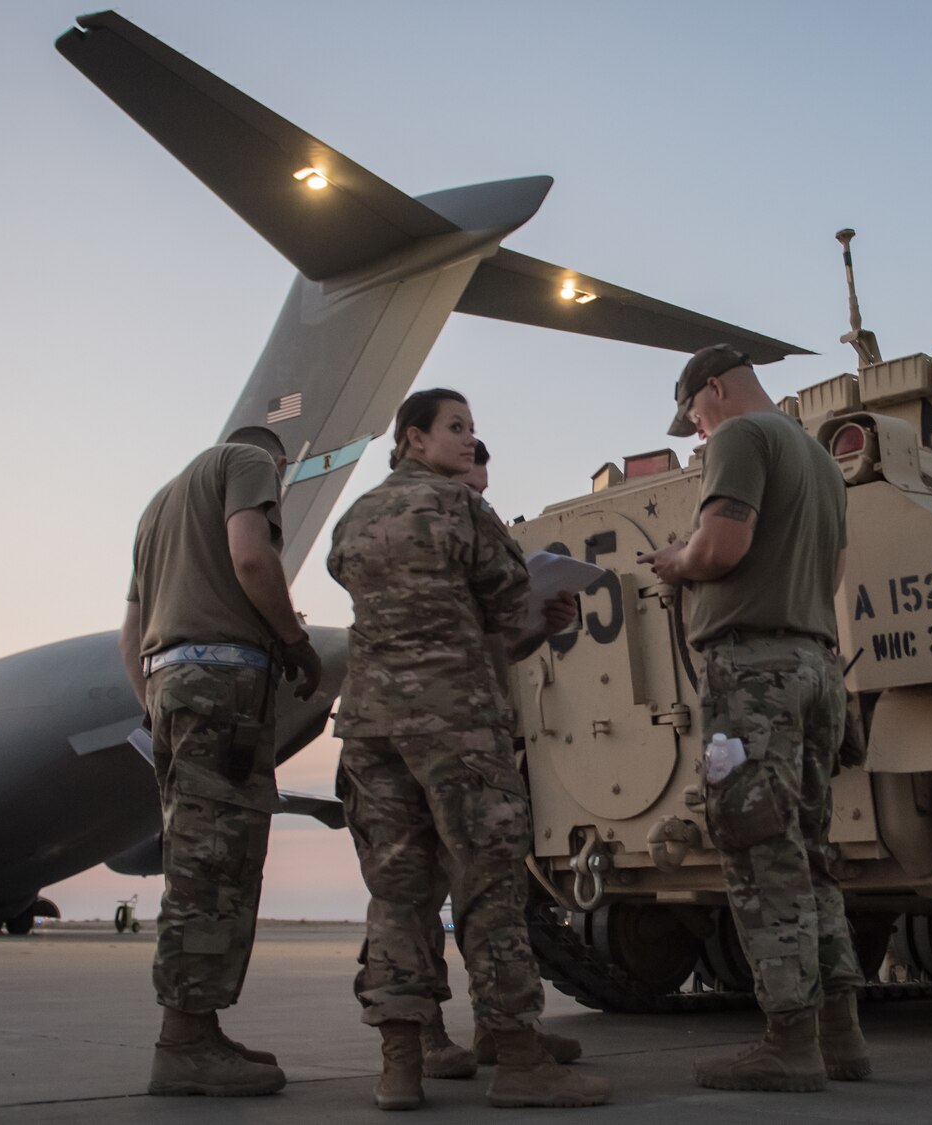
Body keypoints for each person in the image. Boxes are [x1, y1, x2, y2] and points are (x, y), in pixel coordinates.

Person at [327, 389, 610, 1111]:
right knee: (488, 886)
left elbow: (352, 579)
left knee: (397, 892)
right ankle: (518, 1054)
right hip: (455, 720)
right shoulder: (459, 507)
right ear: (413, 438)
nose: (467, 439)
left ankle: (400, 1064)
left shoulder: (355, 517)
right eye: (456, 428)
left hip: (370, 723)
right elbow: (507, 594)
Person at [639, 344, 869, 1091]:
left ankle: (788, 1042)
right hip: (814, 664)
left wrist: (679, 559)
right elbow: (833, 571)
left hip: (754, 676)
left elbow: (724, 544)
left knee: (756, 849)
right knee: (809, 854)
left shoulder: (741, 438)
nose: (698, 432)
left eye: (694, 416)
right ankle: (842, 1037)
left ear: (713, 390)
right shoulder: (823, 462)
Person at [120, 425, 325, 1097]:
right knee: (218, 863)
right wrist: (294, 640)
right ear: (274, 461)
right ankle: (184, 1040)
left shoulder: (158, 508)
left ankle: (196, 1029)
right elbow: (251, 559)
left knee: (196, 857)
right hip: (224, 690)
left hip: (172, 688)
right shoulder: (246, 462)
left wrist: (155, 705)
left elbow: (131, 628)